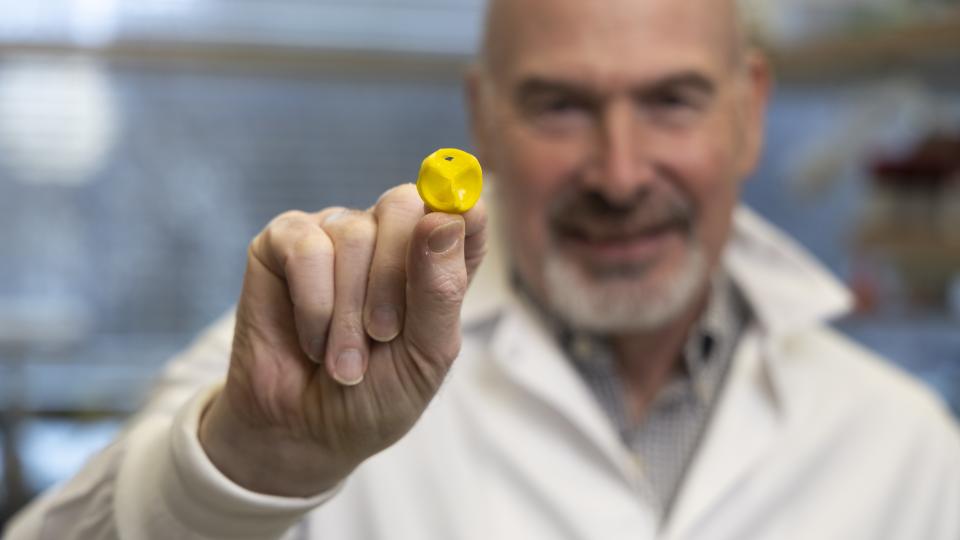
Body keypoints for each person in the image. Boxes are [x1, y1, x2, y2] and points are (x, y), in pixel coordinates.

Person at [6, 0, 960, 538]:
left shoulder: (904, 446)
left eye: (673, 101)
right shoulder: (313, 362)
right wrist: (253, 468)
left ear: (750, 111)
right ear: (482, 120)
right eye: (559, 106)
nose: (621, 174)